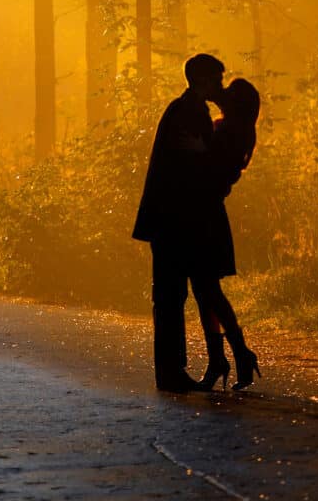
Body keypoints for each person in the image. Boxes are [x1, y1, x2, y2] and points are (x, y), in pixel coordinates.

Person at [132, 53, 225, 392]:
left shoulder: (182, 109)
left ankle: (172, 370)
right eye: (217, 78)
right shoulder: (189, 113)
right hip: (176, 220)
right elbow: (193, 167)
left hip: (169, 219)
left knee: (172, 295)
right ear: (202, 80)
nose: (221, 85)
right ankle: (171, 372)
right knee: (172, 296)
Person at [188, 78, 261, 391]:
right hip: (208, 212)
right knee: (205, 290)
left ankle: (236, 353)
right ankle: (223, 356)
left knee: (207, 290)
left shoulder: (228, 133)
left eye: (228, 95)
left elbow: (204, 163)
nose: (222, 97)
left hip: (205, 213)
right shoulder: (235, 131)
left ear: (236, 105)